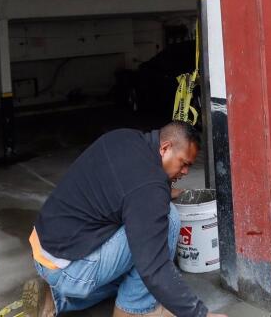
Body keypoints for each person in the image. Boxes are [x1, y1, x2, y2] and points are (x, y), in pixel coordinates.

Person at [27, 121, 227, 317]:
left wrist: (166, 191)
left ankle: (56, 298)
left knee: (133, 271)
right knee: (167, 222)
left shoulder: (124, 137)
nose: (185, 172)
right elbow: (154, 268)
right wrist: (199, 314)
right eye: (184, 164)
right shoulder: (148, 190)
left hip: (45, 251)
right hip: (71, 271)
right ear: (165, 148)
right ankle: (135, 311)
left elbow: (128, 183)